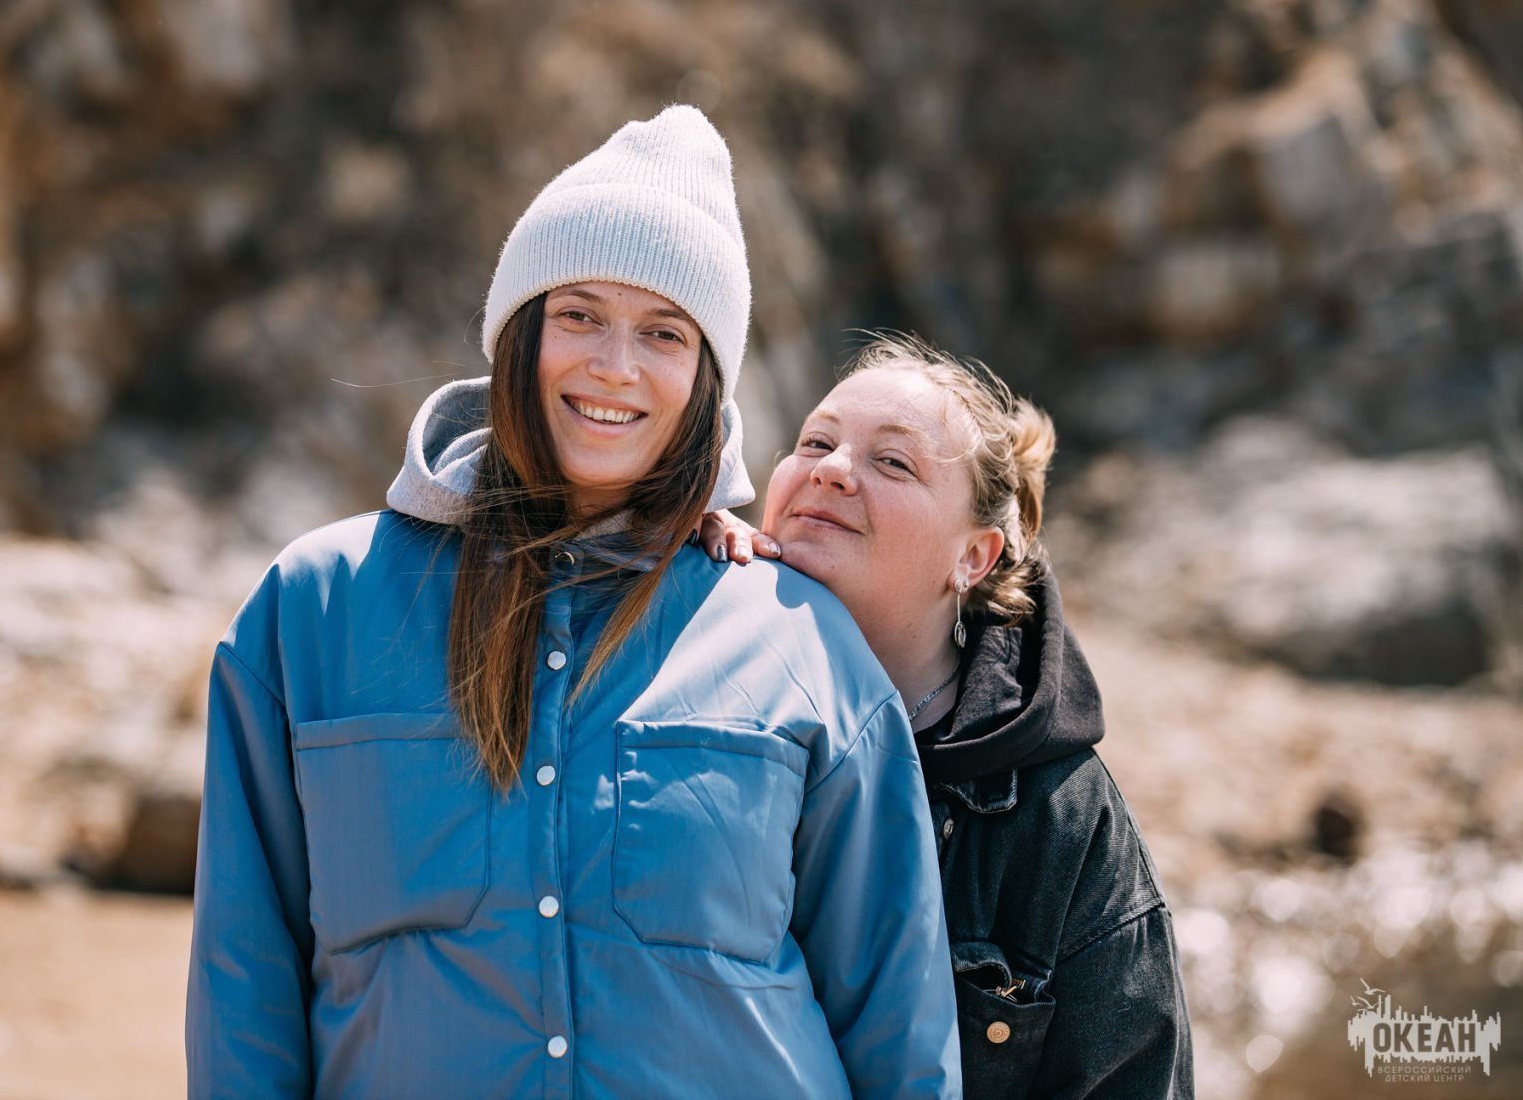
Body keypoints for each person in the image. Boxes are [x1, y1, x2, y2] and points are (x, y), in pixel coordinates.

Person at [186, 107, 962, 1098]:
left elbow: (899, 1032)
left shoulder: (797, 639)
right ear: (519, 335)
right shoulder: (313, 611)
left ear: (704, 379)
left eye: (664, 332)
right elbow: (243, 990)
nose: (615, 365)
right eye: (579, 314)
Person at [705, 336, 1194, 1097]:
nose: (832, 468)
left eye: (893, 462)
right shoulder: (688, 693)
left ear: (974, 556)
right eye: (816, 443)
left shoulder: (1058, 819)